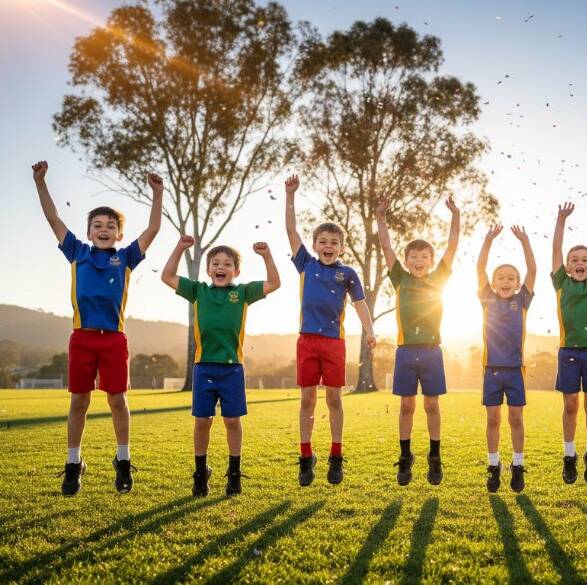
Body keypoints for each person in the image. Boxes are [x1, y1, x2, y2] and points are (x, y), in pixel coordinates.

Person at [33, 160, 162, 496]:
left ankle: (122, 461)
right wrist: (40, 182)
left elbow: (152, 231)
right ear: (89, 231)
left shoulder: (127, 257)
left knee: (118, 401)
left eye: (110, 226)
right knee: (79, 402)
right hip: (82, 339)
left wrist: (158, 194)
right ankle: (73, 464)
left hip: (114, 341)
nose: (103, 229)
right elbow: (52, 218)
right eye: (97, 225)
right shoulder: (77, 252)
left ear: (118, 234)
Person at [161, 236, 280, 496]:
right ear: (208, 270)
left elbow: (274, 283)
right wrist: (180, 248)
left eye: (227, 264)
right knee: (202, 421)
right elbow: (167, 275)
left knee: (232, 421)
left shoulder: (243, 293)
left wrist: (267, 256)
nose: (221, 267)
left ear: (236, 271)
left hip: (232, 369)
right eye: (215, 263)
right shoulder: (198, 291)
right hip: (203, 368)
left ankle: (234, 474)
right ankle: (200, 473)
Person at [284, 174, 376, 487]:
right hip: (307, 341)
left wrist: (370, 330)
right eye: (323, 242)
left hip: (334, 344)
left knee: (334, 399)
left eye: (334, 243)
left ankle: (336, 456)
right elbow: (291, 230)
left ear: (342, 248)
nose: (328, 246)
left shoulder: (348, 273)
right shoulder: (306, 265)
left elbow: (361, 304)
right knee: (307, 400)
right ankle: (306, 456)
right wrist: (290, 195)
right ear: (314, 246)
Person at [376, 195, 460, 486]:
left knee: (432, 406)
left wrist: (455, 216)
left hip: (432, 352)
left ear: (431, 261)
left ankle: (434, 457)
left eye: (424, 257)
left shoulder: (438, 279)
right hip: (405, 352)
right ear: (407, 260)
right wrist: (382, 217)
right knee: (407, 407)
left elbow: (452, 246)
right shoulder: (400, 277)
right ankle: (405, 455)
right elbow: (386, 246)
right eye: (414, 256)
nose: (419, 260)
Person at [551, 199, 587, 485]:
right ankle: (569, 455)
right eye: (574, 260)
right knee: (571, 405)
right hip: (568, 352)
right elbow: (555, 250)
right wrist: (561, 220)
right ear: (566, 266)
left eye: (585, 259)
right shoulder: (561, 282)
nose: (580, 263)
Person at [477, 224, 536, 493]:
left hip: (515, 370)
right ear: (493, 282)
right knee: (492, 420)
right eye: (500, 277)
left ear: (517, 282)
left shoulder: (522, 300)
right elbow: (479, 268)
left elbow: (533, 270)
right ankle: (493, 466)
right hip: (491, 370)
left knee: (515, 418)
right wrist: (488, 240)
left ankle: (518, 464)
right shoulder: (487, 298)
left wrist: (525, 241)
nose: (505, 281)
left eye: (510, 277)